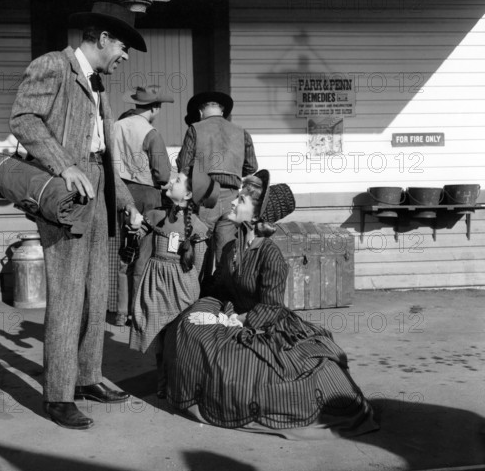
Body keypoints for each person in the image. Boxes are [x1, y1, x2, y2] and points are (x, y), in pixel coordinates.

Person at [9, 2, 147, 430]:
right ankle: (58, 394)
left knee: (96, 294)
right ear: (102, 38)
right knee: (68, 298)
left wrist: (126, 203)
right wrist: (61, 164)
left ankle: (87, 378)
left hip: (98, 191)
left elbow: (102, 155)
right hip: (66, 194)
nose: (125, 56)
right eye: (123, 46)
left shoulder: (98, 84)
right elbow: (24, 119)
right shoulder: (53, 65)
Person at [162, 170, 379, 439]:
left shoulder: (271, 256)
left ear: (255, 216)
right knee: (188, 328)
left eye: (240, 201)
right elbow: (218, 285)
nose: (232, 203)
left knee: (245, 366)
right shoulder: (232, 248)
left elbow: (270, 308)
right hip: (233, 311)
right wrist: (200, 308)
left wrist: (231, 321)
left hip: (264, 323)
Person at [129, 164, 220, 397]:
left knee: (176, 336)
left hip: (182, 288)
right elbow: (139, 240)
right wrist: (136, 227)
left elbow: (199, 267)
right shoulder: (157, 216)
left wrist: (190, 289)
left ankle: (177, 382)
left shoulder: (198, 229)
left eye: (177, 181)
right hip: (156, 284)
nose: (171, 182)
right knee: (157, 334)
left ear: (188, 195)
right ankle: (162, 382)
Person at [110, 86, 174, 327]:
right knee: (143, 255)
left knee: (125, 250)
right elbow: (163, 173)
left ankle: (120, 312)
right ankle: (138, 313)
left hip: (119, 192)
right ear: (155, 108)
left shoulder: (115, 127)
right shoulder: (151, 133)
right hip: (147, 195)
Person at [176, 91, 258, 274]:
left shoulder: (195, 129)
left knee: (199, 249)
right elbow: (252, 166)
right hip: (232, 199)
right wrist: (234, 172)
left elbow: (183, 165)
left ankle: (196, 295)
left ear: (200, 112)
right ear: (222, 111)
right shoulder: (241, 132)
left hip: (205, 194)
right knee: (226, 252)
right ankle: (223, 297)